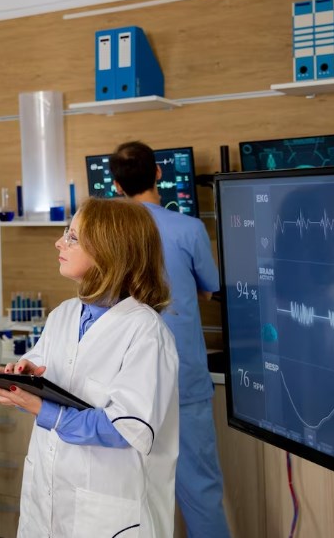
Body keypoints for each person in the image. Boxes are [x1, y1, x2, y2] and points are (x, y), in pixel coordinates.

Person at [0, 197, 179, 538]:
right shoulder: (64, 314)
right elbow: (50, 370)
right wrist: (22, 379)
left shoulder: (146, 332)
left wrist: (45, 410)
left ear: (110, 249)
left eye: (73, 237)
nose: (60, 243)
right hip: (48, 498)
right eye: (65, 233)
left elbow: (127, 428)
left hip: (109, 512)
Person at [109, 140, 231, 538]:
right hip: (183, 380)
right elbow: (210, 287)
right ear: (159, 173)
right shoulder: (189, 228)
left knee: (133, 494)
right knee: (200, 490)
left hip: (125, 381)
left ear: (115, 185)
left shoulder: (107, 235)